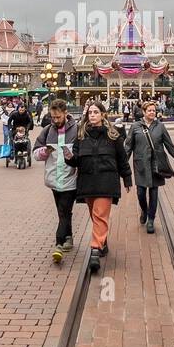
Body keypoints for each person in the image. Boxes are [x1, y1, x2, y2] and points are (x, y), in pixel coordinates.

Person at [72, 100, 131, 273]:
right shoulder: (81, 136)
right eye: (90, 113)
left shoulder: (113, 135)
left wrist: (127, 178)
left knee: (99, 215)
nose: (92, 115)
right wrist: (69, 158)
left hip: (107, 180)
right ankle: (102, 242)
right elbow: (75, 158)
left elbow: (122, 159)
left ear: (103, 115)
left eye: (96, 112)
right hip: (88, 181)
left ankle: (95, 249)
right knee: (95, 215)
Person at [125, 100, 174, 231]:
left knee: (154, 192)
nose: (152, 112)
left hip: (156, 164)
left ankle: (151, 219)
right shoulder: (136, 127)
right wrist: (122, 164)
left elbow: (169, 145)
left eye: (154, 110)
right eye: (149, 110)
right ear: (144, 112)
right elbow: (128, 147)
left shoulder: (160, 126)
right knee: (140, 193)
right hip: (141, 164)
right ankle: (144, 211)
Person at [34, 99, 80, 261]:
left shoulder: (77, 129)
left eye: (58, 117)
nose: (55, 120)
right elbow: (35, 153)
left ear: (66, 113)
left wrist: (73, 156)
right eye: (53, 117)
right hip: (54, 178)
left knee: (64, 210)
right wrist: (45, 151)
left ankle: (59, 244)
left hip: (70, 178)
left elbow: (84, 152)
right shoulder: (47, 130)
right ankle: (68, 237)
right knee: (63, 212)